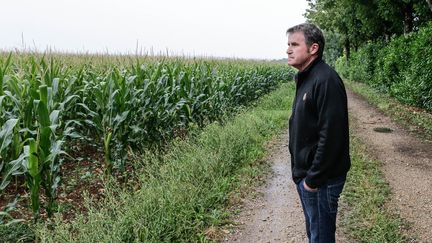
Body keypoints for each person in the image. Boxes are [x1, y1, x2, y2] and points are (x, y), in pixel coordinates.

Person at [286, 23, 351, 243]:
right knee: (315, 232)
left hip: (321, 180)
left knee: (321, 237)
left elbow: (332, 136)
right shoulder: (307, 77)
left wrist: (312, 180)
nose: (288, 50)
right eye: (288, 44)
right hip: (310, 176)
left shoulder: (325, 80)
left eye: (295, 44)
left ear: (313, 48)